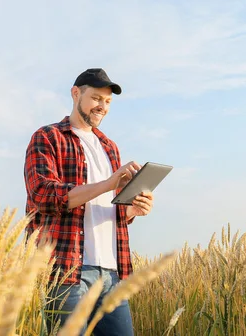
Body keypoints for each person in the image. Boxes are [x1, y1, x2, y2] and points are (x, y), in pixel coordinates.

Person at [23, 68, 154, 335]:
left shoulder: (109, 147)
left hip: (111, 273)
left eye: (107, 102)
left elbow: (108, 206)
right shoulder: (47, 137)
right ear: (75, 94)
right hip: (66, 271)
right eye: (96, 98)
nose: (102, 107)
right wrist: (109, 183)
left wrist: (132, 210)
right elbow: (44, 195)